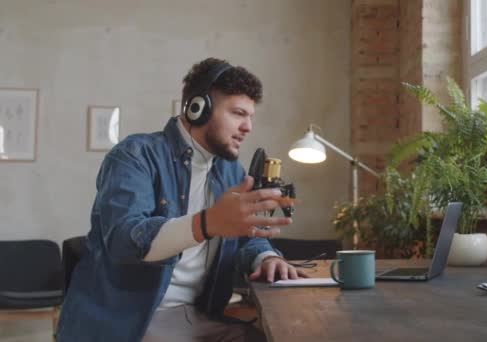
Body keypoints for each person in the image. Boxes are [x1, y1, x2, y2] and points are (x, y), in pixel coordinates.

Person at [56, 57, 308, 342]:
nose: (248, 126)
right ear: (197, 108)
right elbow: (124, 241)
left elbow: (245, 236)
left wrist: (267, 256)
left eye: (250, 116)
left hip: (197, 315)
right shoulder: (135, 156)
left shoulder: (229, 170)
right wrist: (208, 222)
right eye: (238, 113)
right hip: (131, 321)